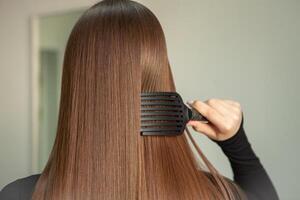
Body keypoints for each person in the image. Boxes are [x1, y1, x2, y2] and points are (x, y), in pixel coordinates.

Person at [0, 0, 279, 199]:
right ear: (162, 76)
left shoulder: (20, 195)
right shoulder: (216, 194)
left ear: (75, 91)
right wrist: (235, 140)